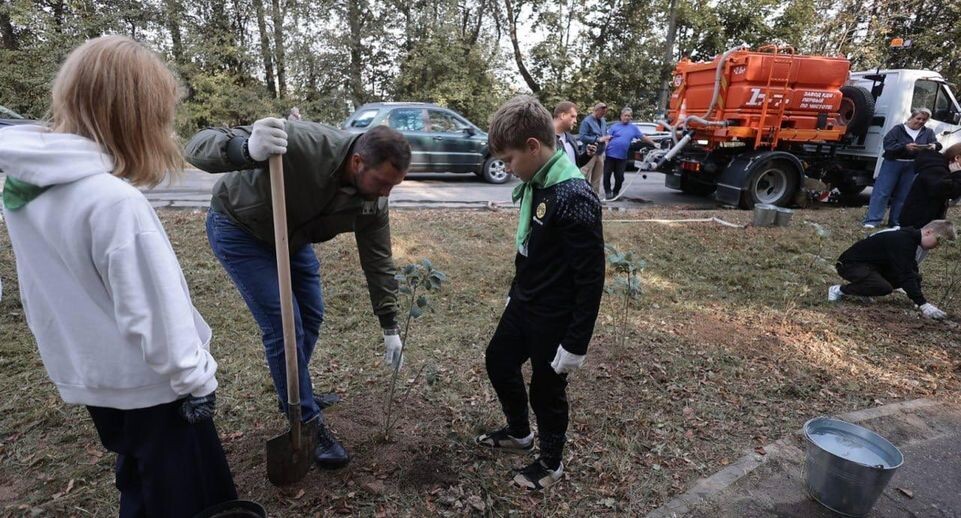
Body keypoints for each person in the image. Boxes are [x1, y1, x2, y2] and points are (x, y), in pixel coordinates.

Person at [0, 36, 237, 515]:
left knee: (141, 481)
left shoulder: (28, 187)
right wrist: (197, 381)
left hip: (95, 377)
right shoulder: (112, 203)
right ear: (137, 115)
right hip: (155, 388)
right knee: (187, 499)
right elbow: (154, 313)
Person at [185, 116, 411, 470]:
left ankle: (293, 388)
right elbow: (197, 145)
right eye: (383, 182)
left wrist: (389, 325)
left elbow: (379, 261)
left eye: (393, 186)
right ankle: (305, 419)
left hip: (291, 238)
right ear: (357, 163)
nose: (386, 193)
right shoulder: (299, 142)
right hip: (240, 229)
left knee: (312, 315)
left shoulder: (373, 201)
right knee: (282, 325)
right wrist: (245, 148)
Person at [474, 96, 605, 490]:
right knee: (498, 359)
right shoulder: (538, 184)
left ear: (533, 147)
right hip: (526, 301)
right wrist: (516, 291)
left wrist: (576, 342)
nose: (509, 169)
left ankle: (550, 462)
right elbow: (528, 248)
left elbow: (590, 277)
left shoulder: (573, 196)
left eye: (511, 159)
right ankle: (519, 434)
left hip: (555, 313)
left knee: (546, 390)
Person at [829, 220, 955, 319]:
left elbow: (911, 271)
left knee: (912, 277)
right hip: (850, 265)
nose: (937, 247)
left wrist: (918, 301)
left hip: (873, 266)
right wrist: (923, 304)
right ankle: (838, 290)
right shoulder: (903, 240)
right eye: (938, 242)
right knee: (883, 287)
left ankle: (865, 290)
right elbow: (905, 273)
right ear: (928, 232)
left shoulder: (911, 240)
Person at [863, 108, 942, 228]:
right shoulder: (898, 129)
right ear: (912, 118)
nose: (921, 121)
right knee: (882, 192)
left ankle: (896, 222)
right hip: (893, 163)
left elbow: (938, 144)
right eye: (918, 118)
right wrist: (905, 147)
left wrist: (933, 146)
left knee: (904, 195)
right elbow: (888, 145)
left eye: (924, 120)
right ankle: (872, 220)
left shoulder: (928, 132)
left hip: (912, 165)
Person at [900, 143, 961, 229]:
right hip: (917, 222)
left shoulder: (940, 167)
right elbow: (949, 192)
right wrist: (958, 175)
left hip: (923, 220)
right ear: (957, 158)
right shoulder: (936, 169)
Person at [603, 107, 657, 200]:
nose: (627, 117)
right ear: (621, 116)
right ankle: (608, 192)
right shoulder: (615, 127)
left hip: (622, 157)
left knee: (619, 177)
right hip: (610, 155)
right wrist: (604, 151)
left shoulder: (633, 128)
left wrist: (654, 143)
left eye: (629, 116)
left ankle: (615, 193)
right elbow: (607, 139)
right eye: (625, 115)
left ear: (631, 117)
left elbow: (643, 138)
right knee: (607, 174)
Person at [578, 102, 611, 194]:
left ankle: (595, 197)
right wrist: (598, 139)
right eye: (602, 113)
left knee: (597, 178)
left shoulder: (603, 121)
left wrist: (607, 138)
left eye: (604, 113)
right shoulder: (586, 121)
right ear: (596, 111)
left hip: (600, 153)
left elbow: (604, 133)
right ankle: (582, 195)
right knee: (585, 175)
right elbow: (582, 137)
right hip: (589, 153)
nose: (603, 115)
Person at [552, 101, 596, 167]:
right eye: (572, 116)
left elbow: (576, 164)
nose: (575, 121)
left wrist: (587, 155)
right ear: (563, 116)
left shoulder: (571, 138)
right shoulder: (545, 140)